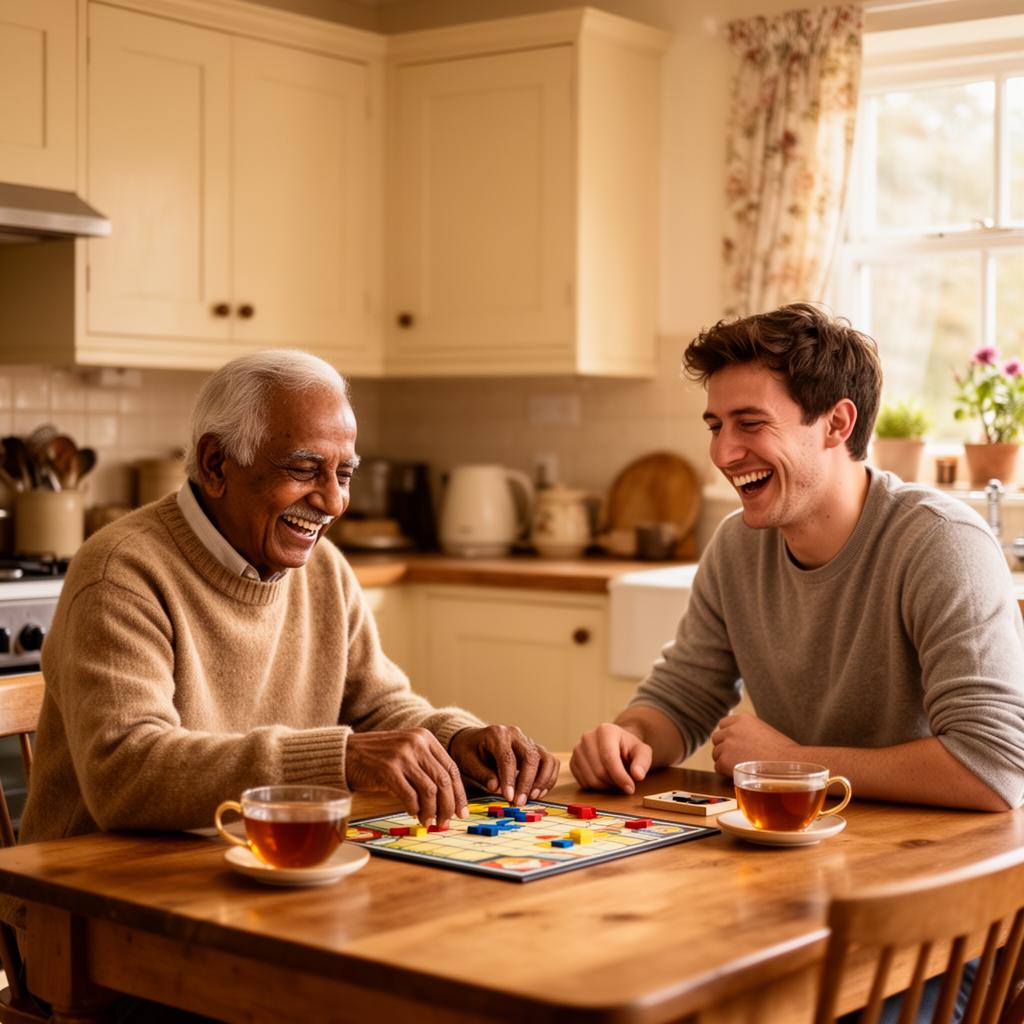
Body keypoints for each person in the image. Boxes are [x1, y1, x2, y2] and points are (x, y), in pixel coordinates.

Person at [20, 349, 560, 852]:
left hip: (255, 862)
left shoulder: (322, 567)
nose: (332, 501)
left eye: (343, 473)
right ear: (215, 464)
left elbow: (376, 707)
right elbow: (125, 773)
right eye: (304, 469)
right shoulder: (122, 571)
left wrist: (455, 739)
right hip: (91, 900)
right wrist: (339, 758)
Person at [571, 302, 1024, 813]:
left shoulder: (942, 544)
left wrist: (796, 763)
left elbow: (995, 766)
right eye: (716, 426)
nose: (722, 454)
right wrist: (629, 736)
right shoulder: (737, 546)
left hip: (940, 858)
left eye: (750, 423)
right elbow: (682, 698)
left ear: (836, 423)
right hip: (804, 840)